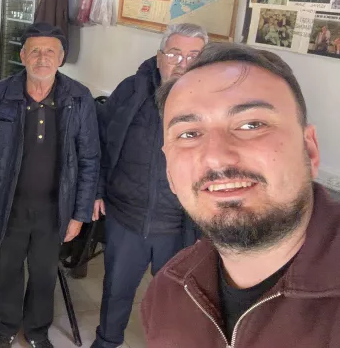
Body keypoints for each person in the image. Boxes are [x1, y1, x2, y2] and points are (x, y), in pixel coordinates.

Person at [143, 43, 340, 347]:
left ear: (310, 150)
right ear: (169, 172)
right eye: (189, 134)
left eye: (251, 125)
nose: (217, 157)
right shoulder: (167, 294)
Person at [0, 23, 100, 348]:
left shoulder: (79, 98)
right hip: (7, 205)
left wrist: (79, 214)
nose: (42, 58)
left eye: (50, 51)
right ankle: (6, 328)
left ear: (61, 58)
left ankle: (38, 331)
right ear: (23, 55)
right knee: (7, 271)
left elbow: (89, 159)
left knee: (44, 274)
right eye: (35, 51)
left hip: (55, 209)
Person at [90, 23, 208, 348]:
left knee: (176, 297)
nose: (182, 63)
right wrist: (97, 190)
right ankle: (106, 341)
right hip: (126, 216)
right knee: (117, 289)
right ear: (159, 57)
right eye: (174, 54)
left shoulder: (215, 102)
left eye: (193, 56)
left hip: (180, 224)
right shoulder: (132, 90)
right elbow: (101, 142)